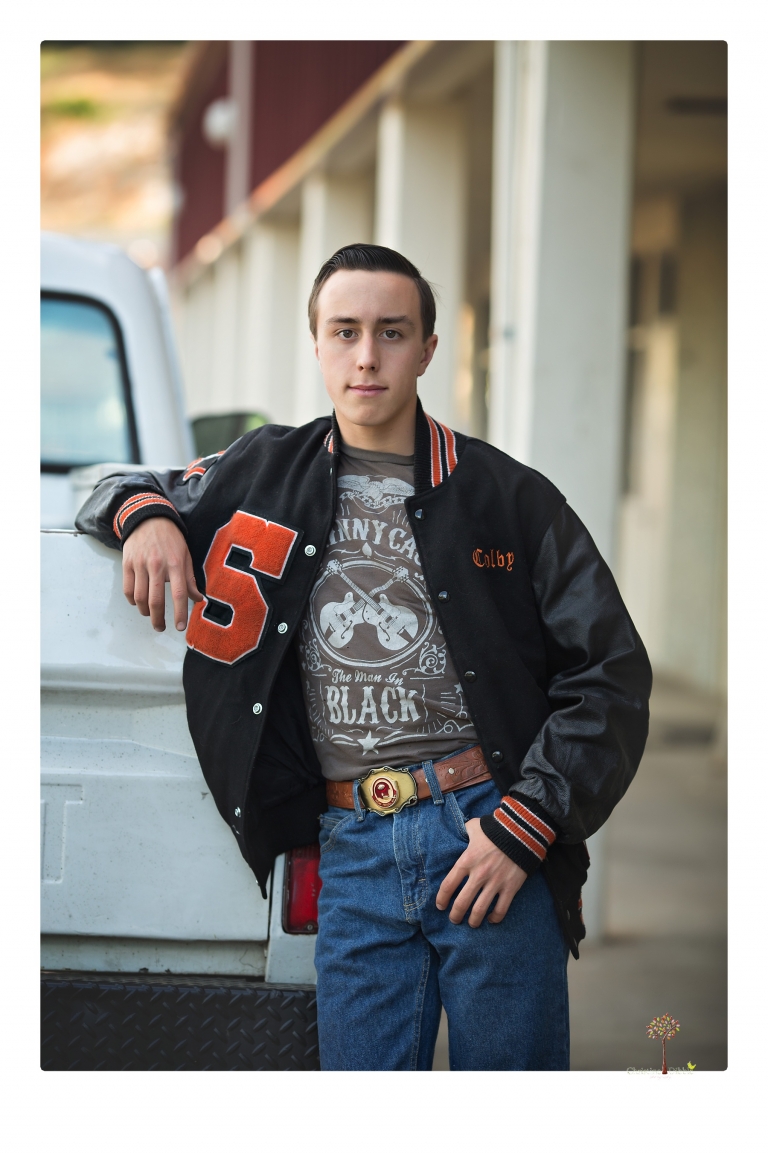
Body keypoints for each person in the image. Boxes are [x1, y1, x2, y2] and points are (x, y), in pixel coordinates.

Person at [76, 243, 652, 1071]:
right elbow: (121, 484)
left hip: (489, 839)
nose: (367, 356)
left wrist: (528, 825)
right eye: (344, 331)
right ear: (315, 343)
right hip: (352, 847)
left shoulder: (508, 497)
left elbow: (612, 673)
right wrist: (149, 517)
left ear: (426, 347)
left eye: (392, 332)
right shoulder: (262, 470)